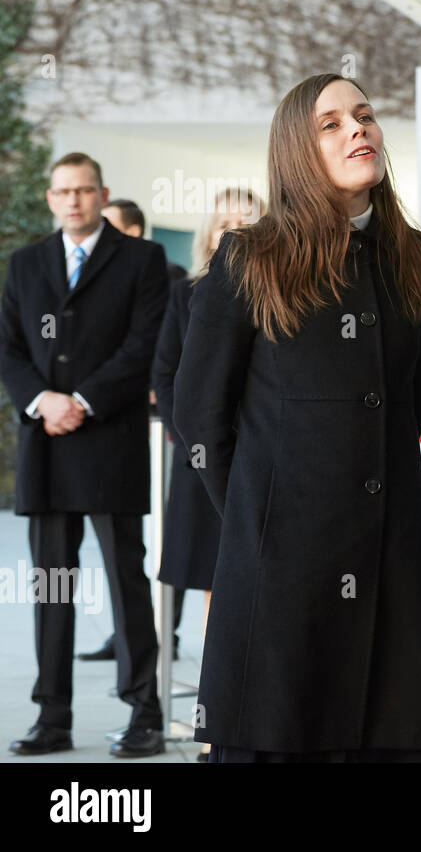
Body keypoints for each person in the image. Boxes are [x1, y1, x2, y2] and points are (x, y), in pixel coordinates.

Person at [173, 74, 421, 761]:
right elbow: (199, 416)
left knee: (392, 741)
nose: (358, 130)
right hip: (280, 572)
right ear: (296, 152)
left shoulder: (416, 258)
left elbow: (406, 404)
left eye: (365, 116)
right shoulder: (248, 258)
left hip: (395, 561)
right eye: (332, 124)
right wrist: (261, 515)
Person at [0, 152, 170, 758]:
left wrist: (82, 400)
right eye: (62, 191)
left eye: (84, 190)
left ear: (102, 194)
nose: (73, 200)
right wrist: (44, 399)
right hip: (46, 444)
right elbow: (9, 349)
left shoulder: (142, 261)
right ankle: (53, 719)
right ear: (50, 198)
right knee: (51, 586)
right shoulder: (24, 265)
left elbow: (144, 343)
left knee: (126, 582)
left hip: (109, 443)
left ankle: (144, 715)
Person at [153, 187, 264, 761]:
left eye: (247, 223)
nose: (235, 233)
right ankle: (215, 722)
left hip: (266, 460)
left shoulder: (278, 292)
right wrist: (206, 445)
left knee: (260, 590)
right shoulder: (185, 295)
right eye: (225, 224)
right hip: (204, 468)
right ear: (208, 235)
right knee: (216, 594)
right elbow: (169, 379)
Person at [77, 197, 183, 663]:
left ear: (135, 232)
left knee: (174, 538)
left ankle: (164, 633)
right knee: (129, 548)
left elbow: (160, 345)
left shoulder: (171, 277)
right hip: (112, 420)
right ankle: (130, 636)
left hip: (165, 427)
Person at [102, 199, 188, 280]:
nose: (101, 233)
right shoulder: (100, 271)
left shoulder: (169, 272)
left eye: (109, 227)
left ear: (133, 232)